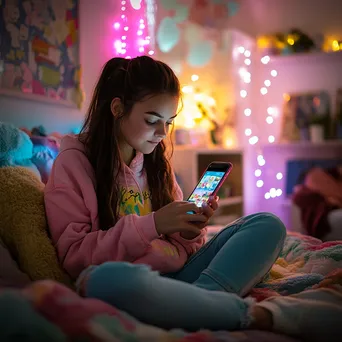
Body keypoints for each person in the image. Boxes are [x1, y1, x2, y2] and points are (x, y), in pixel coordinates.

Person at [44, 56, 286, 332]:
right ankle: (229, 311)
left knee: (266, 225)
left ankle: (200, 305)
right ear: (117, 108)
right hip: (132, 282)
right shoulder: (74, 162)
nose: (162, 133)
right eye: (152, 120)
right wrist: (154, 224)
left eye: (169, 122)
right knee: (105, 280)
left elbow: (186, 249)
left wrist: (190, 231)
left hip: (181, 279)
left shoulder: (156, 162)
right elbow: (75, 258)